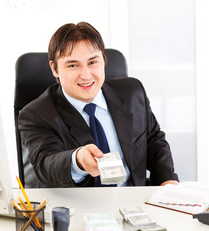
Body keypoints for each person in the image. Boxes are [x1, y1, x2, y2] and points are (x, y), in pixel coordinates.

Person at [18, 22, 179, 188]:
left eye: (93, 62)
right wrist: (78, 160)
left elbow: (153, 140)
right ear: (55, 69)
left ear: (104, 60)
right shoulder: (35, 114)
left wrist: (167, 180)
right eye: (73, 65)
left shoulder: (132, 92)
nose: (86, 75)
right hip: (77, 207)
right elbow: (46, 163)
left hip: (133, 201)